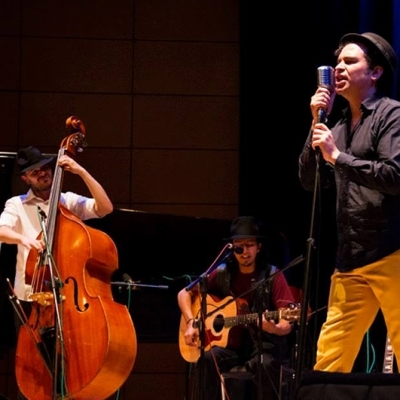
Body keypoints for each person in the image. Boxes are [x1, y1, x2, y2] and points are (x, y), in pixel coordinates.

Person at [298, 32, 400, 373]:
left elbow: (394, 176)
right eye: (338, 61)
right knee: (329, 361)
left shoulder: (392, 115)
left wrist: (338, 157)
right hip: (350, 260)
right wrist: (316, 119)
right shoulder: (337, 126)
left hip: (392, 253)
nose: (338, 67)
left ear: (375, 73)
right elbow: (309, 180)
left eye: (350, 61)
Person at [177, 216, 296, 399]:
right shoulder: (223, 272)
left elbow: (287, 321)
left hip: (262, 345)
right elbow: (183, 294)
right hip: (230, 346)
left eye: (249, 245)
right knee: (207, 359)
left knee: (264, 364)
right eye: (239, 246)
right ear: (232, 247)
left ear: (259, 247)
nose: (244, 252)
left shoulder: (272, 275)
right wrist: (191, 322)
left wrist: (275, 328)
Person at [0, 145, 113, 306]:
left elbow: (105, 208)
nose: (42, 173)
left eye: (44, 167)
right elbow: (2, 231)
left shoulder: (68, 201)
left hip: (66, 291)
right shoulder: (17, 204)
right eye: (34, 173)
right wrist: (24, 240)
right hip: (30, 292)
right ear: (26, 179)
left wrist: (81, 172)